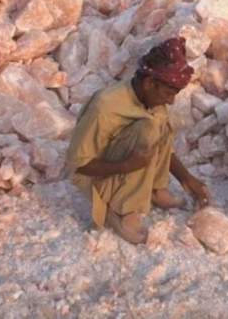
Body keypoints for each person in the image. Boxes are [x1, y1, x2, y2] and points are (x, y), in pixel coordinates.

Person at [65, 38, 211, 244]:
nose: (171, 100)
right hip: (95, 174)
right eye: (169, 93)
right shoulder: (104, 107)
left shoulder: (148, 96)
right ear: (150, 83)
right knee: (148, 127)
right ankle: (125, 209)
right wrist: (125, 166)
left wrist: (186, 179)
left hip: (126, 161)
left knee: (158, 123)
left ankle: (154, 189)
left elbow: (162, 145)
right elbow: (78, 166)